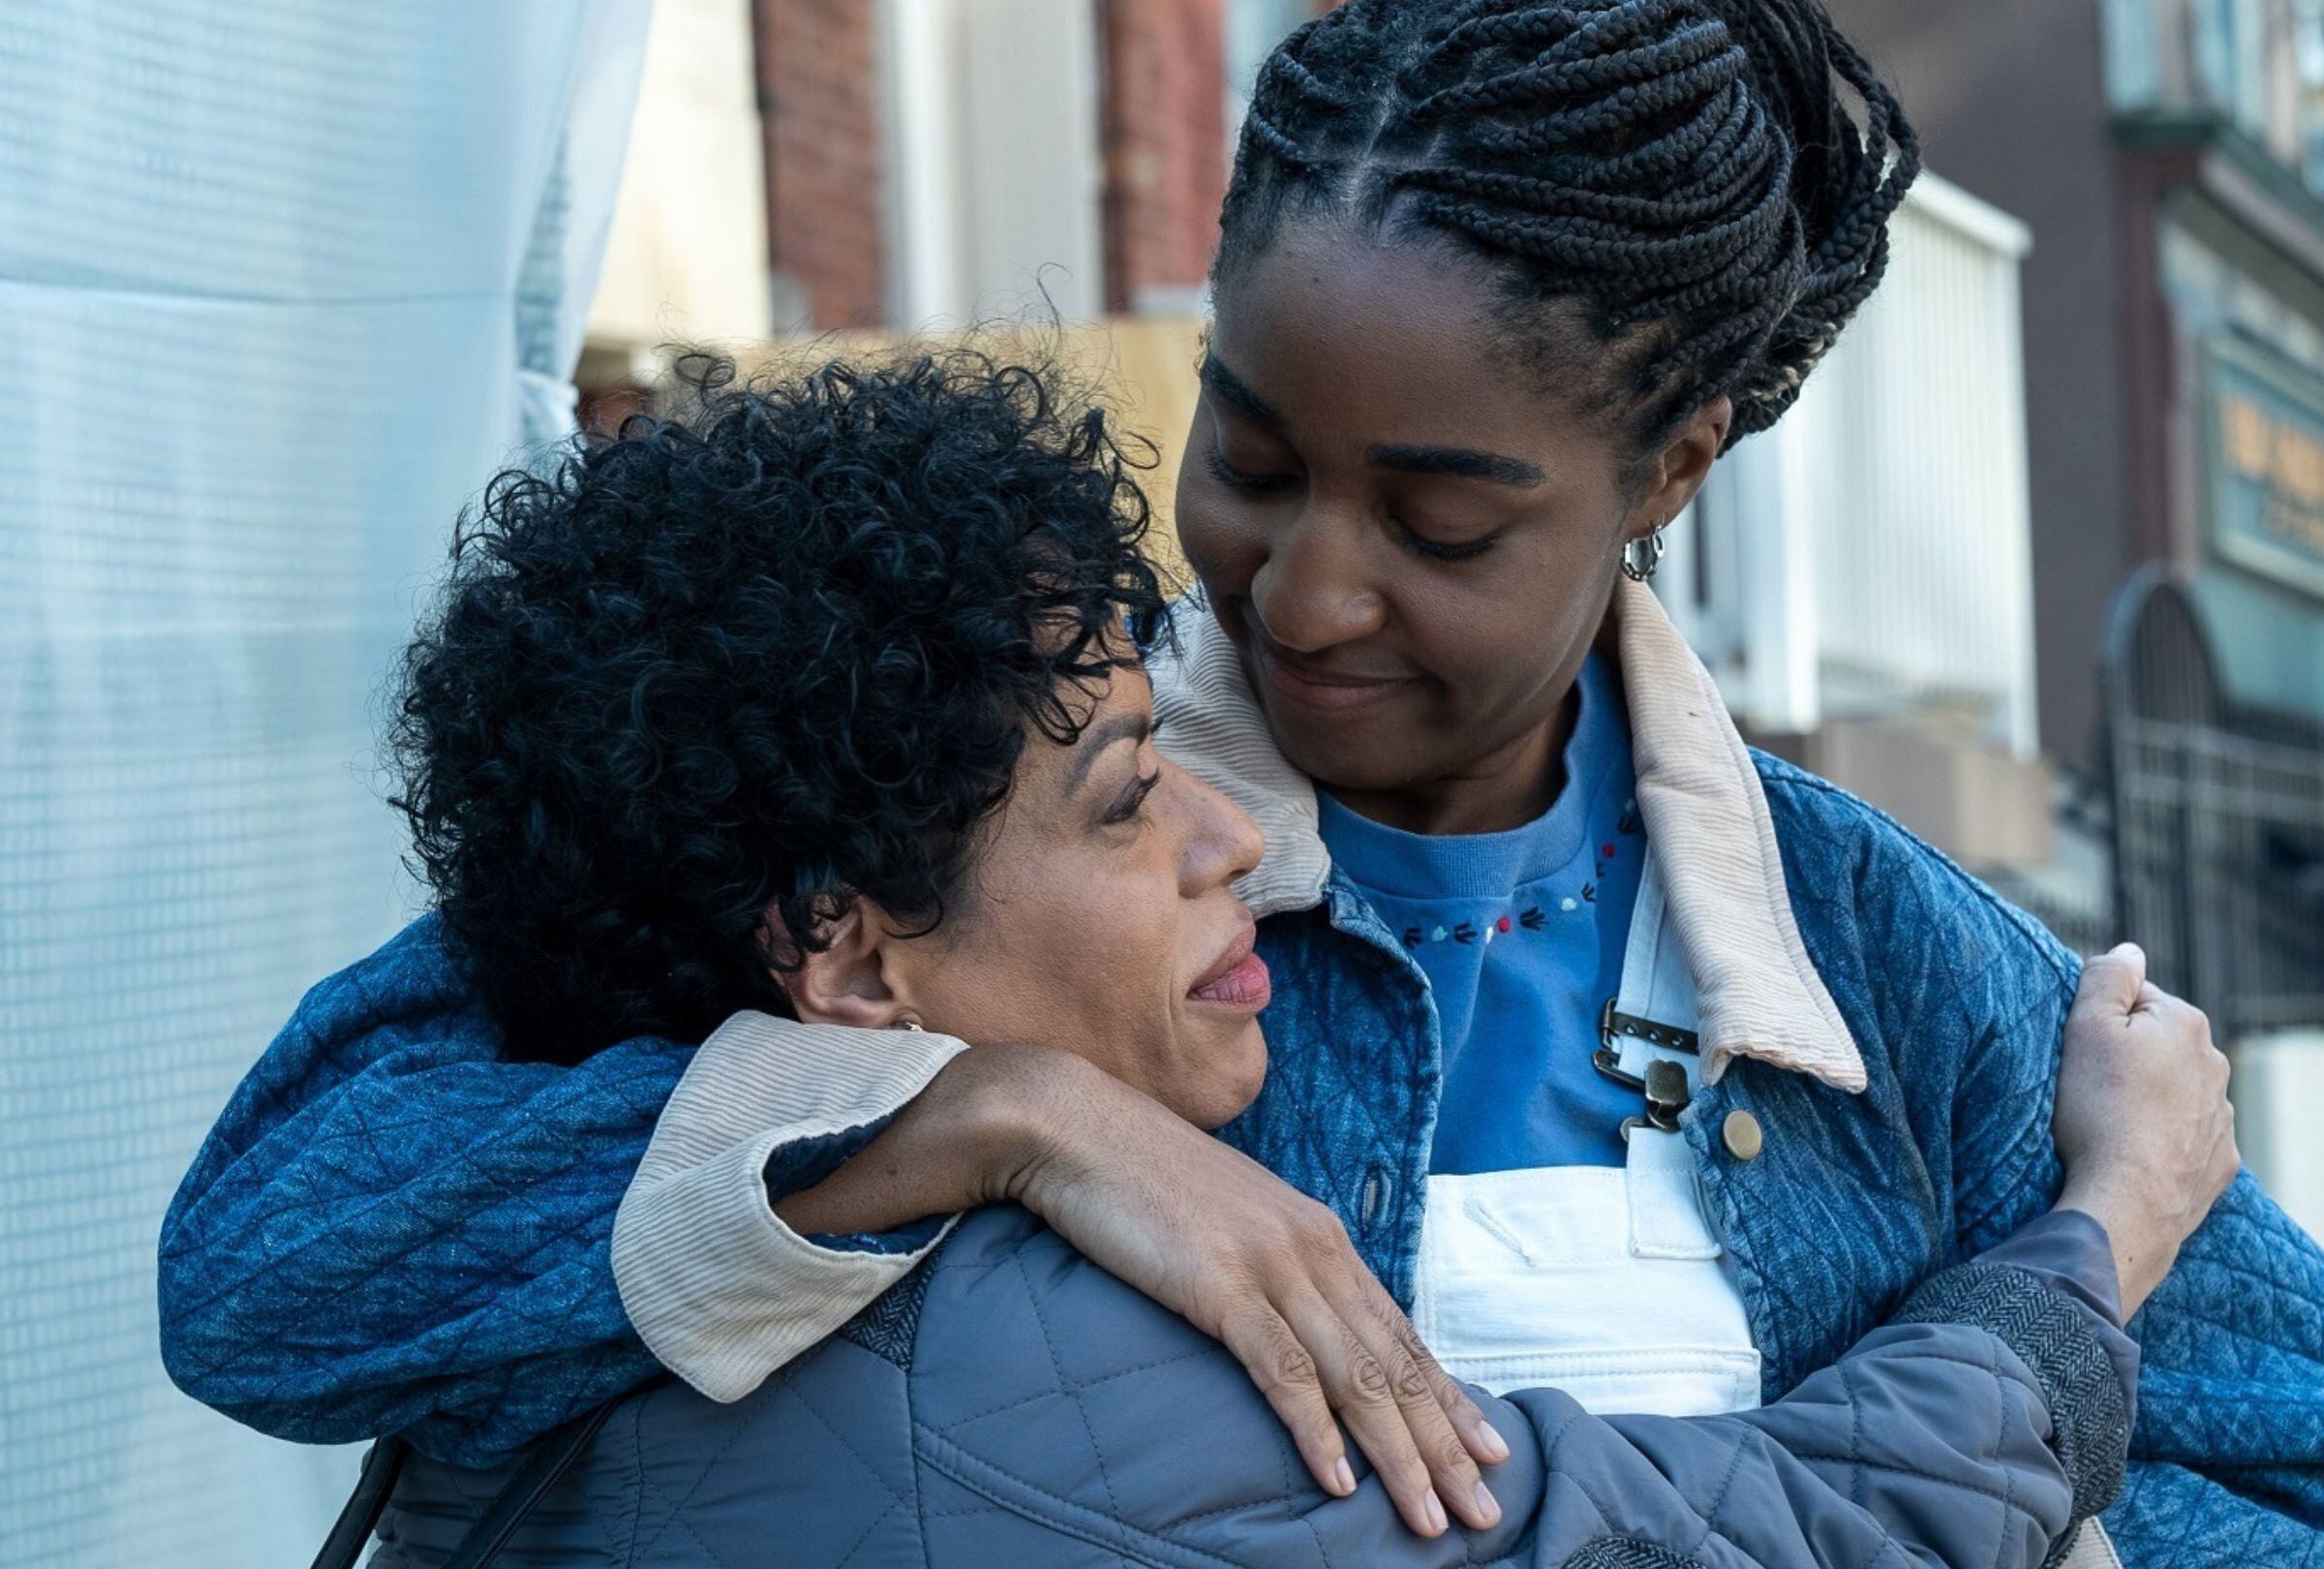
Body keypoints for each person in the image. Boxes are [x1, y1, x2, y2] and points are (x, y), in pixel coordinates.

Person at [161, 1, 2324, 1561]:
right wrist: (994, 1115)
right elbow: (286, 1258)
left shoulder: (1908, 973)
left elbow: (2284, 1462)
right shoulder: (936, 816)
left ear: (1673, 469)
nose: (1303, 595)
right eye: (1254, 454)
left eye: (1443, 524)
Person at [319, 344, 2169, 1567]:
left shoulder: (564, 1227)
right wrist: (2111, 1227)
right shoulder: (1020, 1393)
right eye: (1131, 797)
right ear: (846, 957)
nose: (1230, 831)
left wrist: (1013, 1107)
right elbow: (1795, 1539)